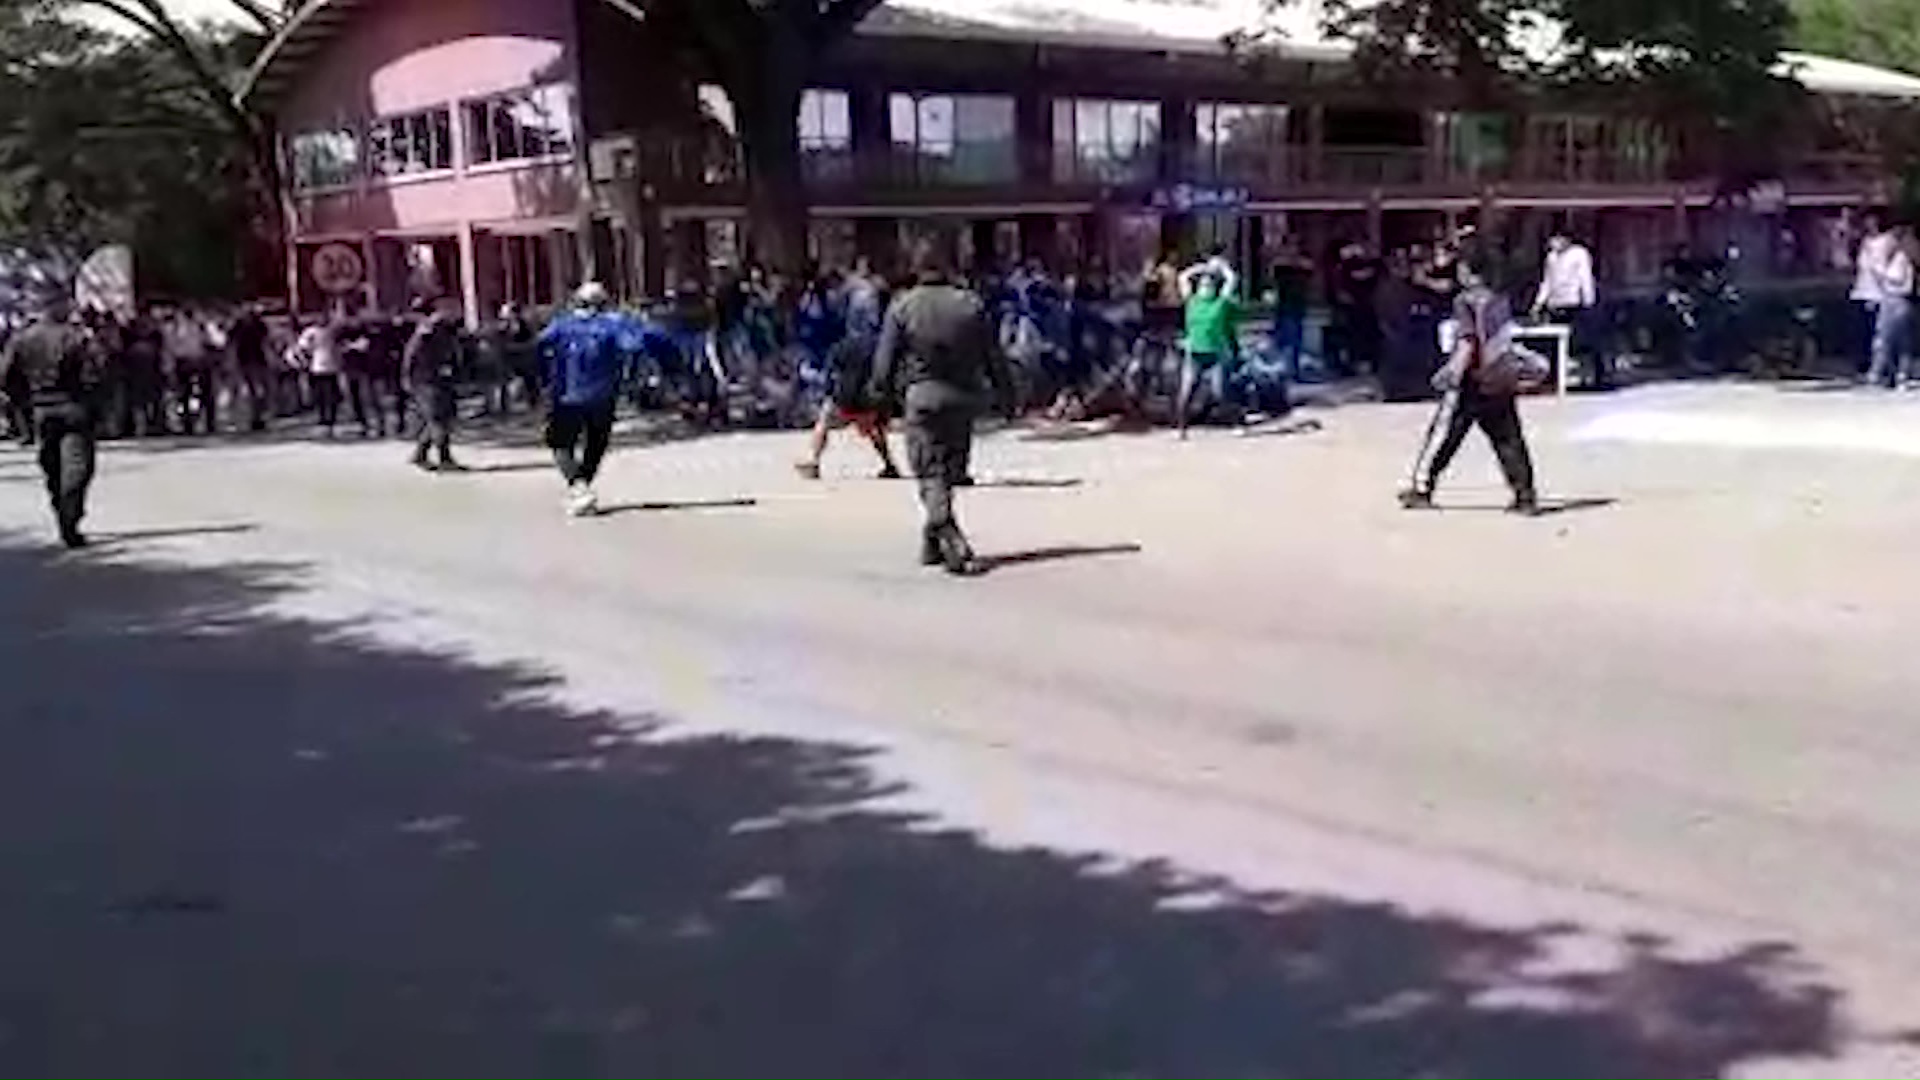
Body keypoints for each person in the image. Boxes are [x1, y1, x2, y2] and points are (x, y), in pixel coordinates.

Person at [868, 238, 1013, 575]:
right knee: (947, 471)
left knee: (930, 472)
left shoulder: (902, 306)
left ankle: (950, 535)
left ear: (917, 268)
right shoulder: (970, 304)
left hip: (922, 397)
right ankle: (932, 542)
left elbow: (884, 363)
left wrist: (880, 400)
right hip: (963, 397)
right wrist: (1006, 395)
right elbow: (994, 357)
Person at [1400, 255, 1541, 516]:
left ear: (1469, 273)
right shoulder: (1500, 299)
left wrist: (1452, 370)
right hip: (1500, 376)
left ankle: (1422, 488)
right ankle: (1525, 495)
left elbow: (1468, 341)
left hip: (1472, 378)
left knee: (1445, 434)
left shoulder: (1465, 302)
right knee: (1508, 438)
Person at [536, 282, 659, 516]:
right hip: (603, 395)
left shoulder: (562, 325)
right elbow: (633, 347)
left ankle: (578, 485)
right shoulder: (613, 325)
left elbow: (539, 346)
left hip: (566, 395)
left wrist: (543, 380)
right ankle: (581, 486)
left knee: (560, 444)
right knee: (596, 444)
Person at [0, 286, 105, 548]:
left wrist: (22, 401)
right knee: (78, 467)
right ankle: (69, 514)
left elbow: (6, 376)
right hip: (74, 406)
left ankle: (62, 507)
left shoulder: (22, 339)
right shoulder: (77, 337)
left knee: (52, 465)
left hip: (41, 408)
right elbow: (97, 370)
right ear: (60, 307)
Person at [1175, 259, 1247, 438]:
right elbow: (1182, 277)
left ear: (1215, 288)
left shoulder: (1220, 303)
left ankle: (1236, 423)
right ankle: (1181, 429)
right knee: (1186, 391)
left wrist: (1222, 267)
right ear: (1198, 287)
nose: (1206, 287)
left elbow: (1231, 279)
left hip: (1216, 354)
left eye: (1210, 284)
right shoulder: (1192, 301)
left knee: (1220, 392)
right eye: (1203, 284)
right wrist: (1200, 268)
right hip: (1194, 354)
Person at [1531, 231, 1604, 389]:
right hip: (1556, 303)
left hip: (1575, 302)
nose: (1554, 244)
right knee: (1555, 343)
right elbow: (1547, 281)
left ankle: (1594, 377)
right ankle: (1555, 378)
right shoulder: (1552, 257)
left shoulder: (1579, 254)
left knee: (1583, 341)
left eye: (1557, 240)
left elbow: (1584, 276)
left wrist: (1588, 300)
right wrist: (1539, 302)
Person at [402, 302, 465, 472]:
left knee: (440, 418)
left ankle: (420, 454)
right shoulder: (427, 333)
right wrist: (407, 378)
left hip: (441, 380)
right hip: (425, 381)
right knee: (437, 419)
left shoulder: (447, 333)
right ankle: (445, 459)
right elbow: (411, 356)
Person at [1864, 221, 1915, 390]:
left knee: (1886, 338)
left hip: (1897, 300)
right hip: (1893, 299)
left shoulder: (1901, 258)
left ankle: (1880, 374)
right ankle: (1893, 374)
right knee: (1894, 340)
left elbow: (1898, 279)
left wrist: (1880, 274)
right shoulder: (1896, 257)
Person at [1852, 210, 1895, 375]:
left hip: (1878, 292)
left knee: (1877, 332)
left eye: (1872, 221)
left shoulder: (1886, 241)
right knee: (1861, 331)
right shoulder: (1865, 242)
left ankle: (1880, 366)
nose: (1868, 225)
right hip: (1862, 290)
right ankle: (1863, 362)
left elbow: (1884, 265)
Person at [230, 302, 273, 431]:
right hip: (250, 360)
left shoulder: (243, 325)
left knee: (253, 391)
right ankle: (255, 417)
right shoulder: (253, 325)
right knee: (255, 391)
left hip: (250, 360)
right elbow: (266, 342)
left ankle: (253, 418)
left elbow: (231, 343)